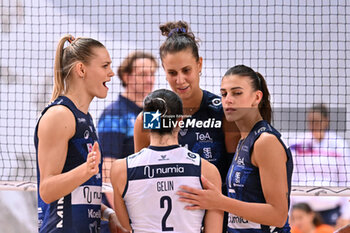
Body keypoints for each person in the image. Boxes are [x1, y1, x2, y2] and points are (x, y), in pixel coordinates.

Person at [177, 65, 294, 232]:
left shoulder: (265, 142)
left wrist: (219, 201)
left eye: (237, 93)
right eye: (224, 94)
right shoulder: (244, 139)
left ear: (257, 97)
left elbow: (278, 216)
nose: (228, 100)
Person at [34, 35, 127, 233]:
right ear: (81, 69)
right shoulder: (59, 115)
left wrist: (110, 215)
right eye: (105, 66)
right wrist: (85, 170)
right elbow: (47, 190)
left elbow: (80, 195)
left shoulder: (85, 118)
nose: (111, 73)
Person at [110, 89, 223, 232]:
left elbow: (123, 229)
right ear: (179, 121)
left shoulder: (120, 170)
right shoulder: (208, 171)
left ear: (146, 121)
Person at [97, 51, 158, 233]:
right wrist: (121, 218)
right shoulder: (114, 114)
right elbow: (107, 169)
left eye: (152, 74)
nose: (149, 80)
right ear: (126, 76)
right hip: (123, 213)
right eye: (142, 74)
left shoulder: (153, 113)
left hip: (146, 211)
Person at [290, 103, 350, 228]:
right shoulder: (298, 144)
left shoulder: (339, 144)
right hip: (302, 210)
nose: (313, 125)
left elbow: (346, 180)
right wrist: (288, 212)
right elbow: (291, 178)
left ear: (326, 121)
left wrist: (346, 215)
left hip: (331, 209)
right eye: (310, 121)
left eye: (317, 121)